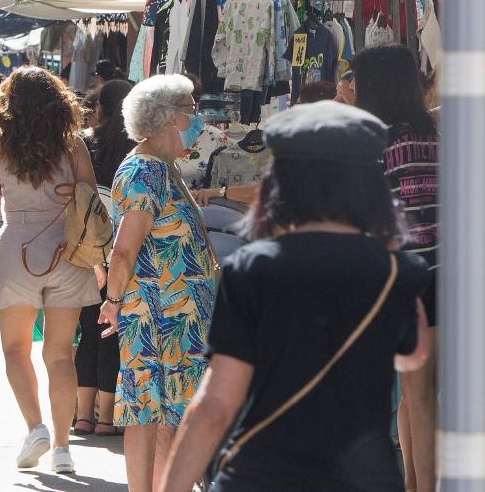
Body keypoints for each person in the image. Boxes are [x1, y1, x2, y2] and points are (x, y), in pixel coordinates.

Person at [159, 101, 432, 492]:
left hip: (261, 476)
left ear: (280, 180)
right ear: (371, 183)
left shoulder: (253, 269)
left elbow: (215, 406)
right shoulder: (399, 273)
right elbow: (413, 357)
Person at [0, 66, 100, 475]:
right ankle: (62, 447)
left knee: (14, 350)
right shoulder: (73, 144)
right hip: (67, 251)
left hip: (17, 249)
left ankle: (35, 427)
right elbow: (91, 200)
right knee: (60, 355)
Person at [99, 74, 217, 492]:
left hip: (174, 316)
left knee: (166, 413)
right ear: (170, 118)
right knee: (150, 411)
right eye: (191, 108)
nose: (197, 116)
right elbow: (125, 248)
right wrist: (112, 300)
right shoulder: (145, 170)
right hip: (156, 314)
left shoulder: (164, 168)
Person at [354, 44, 439, 492]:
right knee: (412, 395)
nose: (348, 89)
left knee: (418, 396)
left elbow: (412, 225)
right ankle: (411, 482)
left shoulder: (393, 141)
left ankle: (423, 485)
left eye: (355, 81)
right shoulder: (419, 135)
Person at [75, 79, 134, 438]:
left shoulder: (84, 143)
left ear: (99, 109)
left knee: (88, 331)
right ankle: (107, 418)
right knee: (114, 332)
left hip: (86, 251)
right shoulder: (138, 149)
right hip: (124, 250)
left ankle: (83, 415)